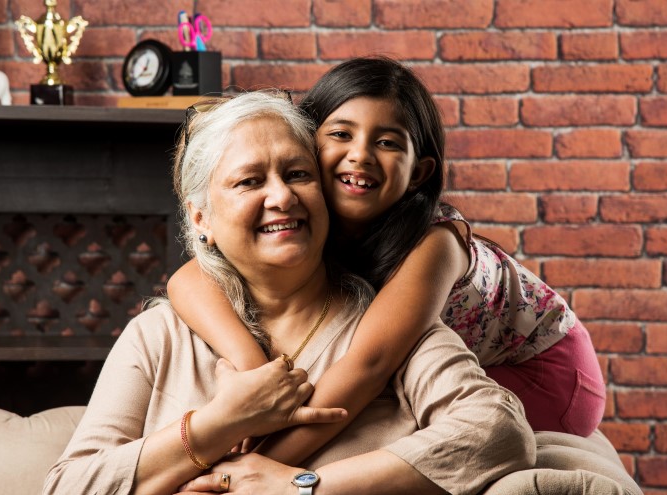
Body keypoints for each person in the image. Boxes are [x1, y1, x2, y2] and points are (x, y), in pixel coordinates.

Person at [44, 91, 535, 495]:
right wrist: (218, 423)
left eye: (298, 174)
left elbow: (499, 433)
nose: (281, 196)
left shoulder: (388, 327)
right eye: (249, 181)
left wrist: (303, 486)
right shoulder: (158, 337)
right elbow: (67, 487)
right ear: (201, 221)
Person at [166, 56, 606, 466]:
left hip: (547, 372)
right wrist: (255, 371)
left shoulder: (437, 245)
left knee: (393, 420)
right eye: (340, 134)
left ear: (419, 172)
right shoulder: (307, 213)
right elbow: (187, 280)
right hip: (448, 358)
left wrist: (252, 468)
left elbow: (369, 366)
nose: (360, 154)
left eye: (388, 142)